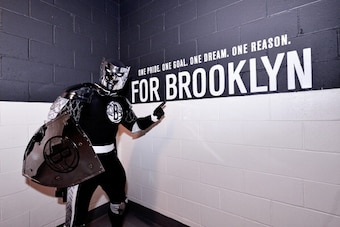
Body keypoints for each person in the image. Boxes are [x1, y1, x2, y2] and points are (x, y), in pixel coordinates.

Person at [47, 58, 165, 227]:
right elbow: (54, 120)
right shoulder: (85, 93)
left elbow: (134, 126)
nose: (114, 79)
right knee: (75, 218)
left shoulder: (121, 102)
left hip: (110, 161)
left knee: (119, 204)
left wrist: (153, 117)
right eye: (112, 74)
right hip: (84, 162)